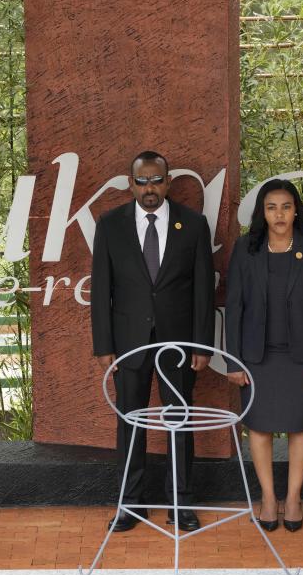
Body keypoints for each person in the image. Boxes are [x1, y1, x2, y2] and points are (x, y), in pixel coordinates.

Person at [90, 150, 215, 533]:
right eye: (141, 181)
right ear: (131, 183)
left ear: (168, 182)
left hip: (179, 343)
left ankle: (181, 505)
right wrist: (103, 345)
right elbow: (101, 291)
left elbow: (203, 293)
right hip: (129, 343)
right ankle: (131, 504)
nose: (149, 188)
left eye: (156, 180)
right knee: (131, 421)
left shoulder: (193, 225)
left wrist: (202, 345)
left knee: (179, 420)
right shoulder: (110, 226)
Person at [225, 178, 303, 532]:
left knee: (299, 427)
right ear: (262, 212)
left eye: (286, 206)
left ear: (296, 210)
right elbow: (234, 307)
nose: (279, 214)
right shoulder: (246, 249)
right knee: (259, 427)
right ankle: (269, 497)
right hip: (257, 358)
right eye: (271, 207)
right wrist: (233, 361)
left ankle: (293, 498)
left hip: (301, 359)